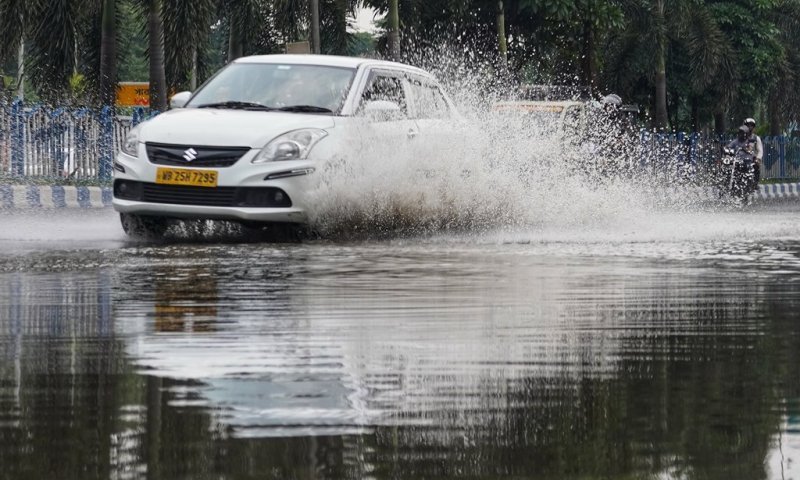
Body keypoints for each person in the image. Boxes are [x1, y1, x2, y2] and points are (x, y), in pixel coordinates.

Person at [743, 117, 763, 187]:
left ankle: (755, 183)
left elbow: (760, 150)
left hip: (751, 158)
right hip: (740, 157)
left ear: (753, 127)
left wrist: (758, 158)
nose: (749, 127)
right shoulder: (740, 136)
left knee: (756, 166)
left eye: (751, 125)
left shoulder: (756, 138)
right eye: (748, 125)